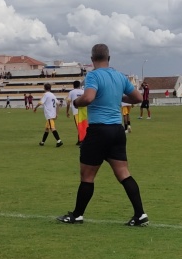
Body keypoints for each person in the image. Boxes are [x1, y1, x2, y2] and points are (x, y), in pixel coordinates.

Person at [57, 43, 148, 227]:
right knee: (123, 173)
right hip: (117, 130)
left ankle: (77, 215)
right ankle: (140, 214)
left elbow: (89, 98)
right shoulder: (119, 76)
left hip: (99, 130)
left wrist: (77, 102)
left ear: (92, 60)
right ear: (109, 58)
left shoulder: (93, 75)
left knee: (87, 175)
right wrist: (119, 97)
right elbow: (138, 98)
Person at [34, 83, 63, 147]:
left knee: (52, 128)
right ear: (50, 88)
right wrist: (57, 113)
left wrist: (35, 108)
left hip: (49, 114)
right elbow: (58, 104)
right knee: (47, 129)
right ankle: (42, 142)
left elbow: (40, 102)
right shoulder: (52, 95)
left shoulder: (45, 94)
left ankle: (59, 141)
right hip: (52, 114)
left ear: (44, 88)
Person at [66, 80, 85, 145]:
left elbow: (68, 103)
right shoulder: (83, 91)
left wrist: (67, 111)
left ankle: (82, 141)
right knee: (82, 126)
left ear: (73, 85)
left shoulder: (71, 92)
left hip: (76, 111)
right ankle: (79, 140)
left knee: (79, 126)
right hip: (84, 111)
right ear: (79, 85)